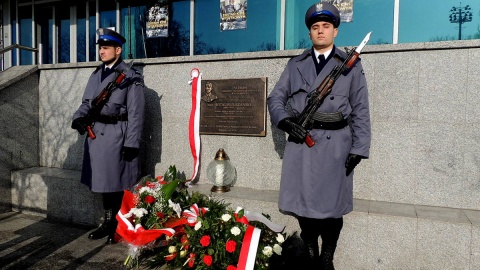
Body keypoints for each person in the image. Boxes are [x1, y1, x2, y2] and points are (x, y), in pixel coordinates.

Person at [267, 2, 371, 269]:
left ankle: (327, 257)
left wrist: (359, 148)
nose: (321, 31)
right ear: (310, 33)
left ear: (335, 31)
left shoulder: (349, 66)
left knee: (332, 208)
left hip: (336, 145)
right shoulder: (296, 65)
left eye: (326, 26)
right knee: (303, 206)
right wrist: (287, 122)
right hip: (302, 142)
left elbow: (360, 108)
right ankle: (311, 249)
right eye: (316, 27)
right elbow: (276, 97)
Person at [71, 28, 146, 244]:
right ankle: (108, 222)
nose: (101, 52)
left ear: (118, 50)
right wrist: (78, 118)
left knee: (115, 182)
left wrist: (132, 143)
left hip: (116, 136)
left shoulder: (131, 78)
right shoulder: (96, 74)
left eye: (105, 48)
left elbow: (136, 114)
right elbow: (87, 104)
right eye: (100, 48)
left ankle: (115, 224)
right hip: (96, 137)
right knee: (104, 182)